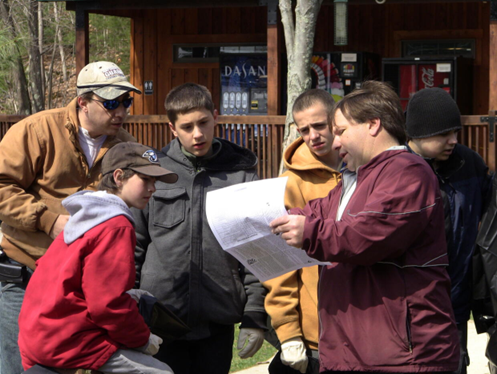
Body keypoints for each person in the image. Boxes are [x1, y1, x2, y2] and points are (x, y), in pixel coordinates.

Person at [270, 80, 460, 373]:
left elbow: (368, 234)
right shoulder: (354, 179)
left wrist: (307, 232)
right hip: (353, 353)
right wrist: (265, 221)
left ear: (373, 124)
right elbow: (312, 213)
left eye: (341, 132)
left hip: (404, 357)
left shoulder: (407, 172)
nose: (334, 143)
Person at [0, 60, 139, 374]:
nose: (121, 111)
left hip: (81, 291)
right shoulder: (38, 130)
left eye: (126, 102)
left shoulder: (126, 147)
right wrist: (48, 221)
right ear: (83, 103)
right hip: (26, 275)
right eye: (111, 103)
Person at [133, 83, 267, 374]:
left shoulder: (241, 172)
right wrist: (127, 313)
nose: (197, 134)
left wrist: (255, 314)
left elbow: (255, 248)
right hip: (159, 319)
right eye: (187, 126)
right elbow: (133, 246)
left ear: (215, 116)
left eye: (204, 123)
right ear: (172, 128)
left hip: (216, 322)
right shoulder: (152, 171)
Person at [18, 142, 177, 373]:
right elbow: (106, 305)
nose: (153, 188)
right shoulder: (116, 225)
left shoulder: (86, 216)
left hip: (38, 335)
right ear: (119, 176)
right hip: (69, 341)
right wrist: (142, 339)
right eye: (146, 179)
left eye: (155, 181)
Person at [406, 87, 492, 374]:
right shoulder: (396, 171)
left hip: (455, 304)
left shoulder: (471, 164)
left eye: (456, 131)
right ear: (417, 133)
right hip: (406, 311)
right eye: (444, 133)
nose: (453, 140)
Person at [263, 89, 341, 374]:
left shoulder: (363, 169)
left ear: (337, 121)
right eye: (304, 129)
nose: (313, 136)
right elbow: (280, 265)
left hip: (363, 326)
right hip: (314, 332)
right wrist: (288, 332)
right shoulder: (289, 183)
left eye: (320, 126)